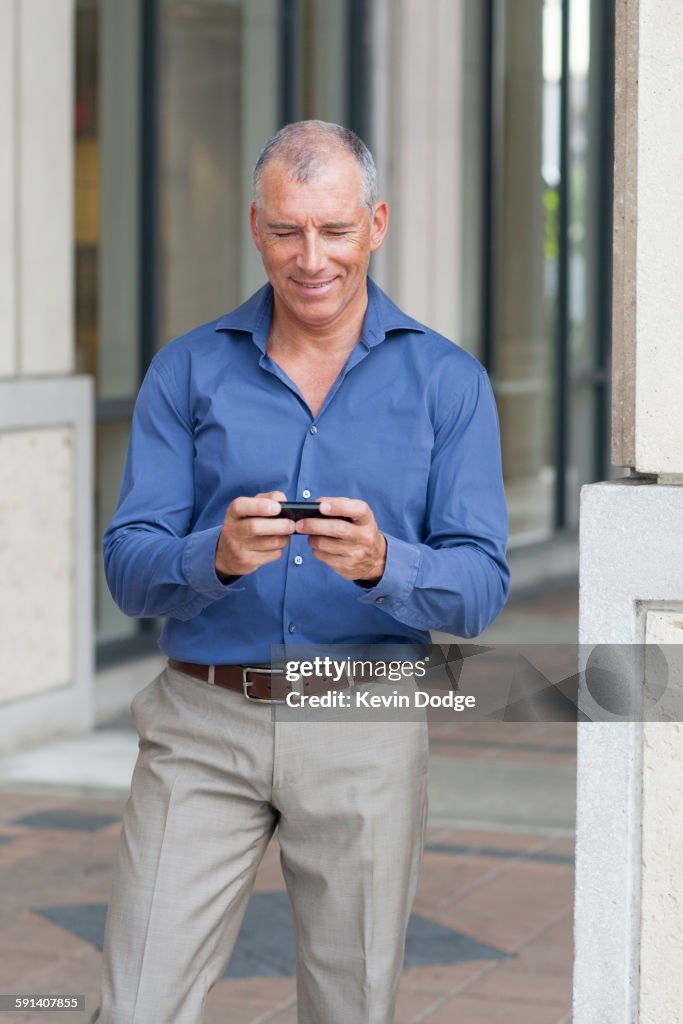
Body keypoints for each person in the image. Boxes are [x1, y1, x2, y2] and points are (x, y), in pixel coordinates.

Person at [93, 120, 509, 1024]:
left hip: (364, 715)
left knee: (350, 1008)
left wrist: (384, 566)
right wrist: (213, 556)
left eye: (332, 229)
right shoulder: (188, 371)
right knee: (136, 1005)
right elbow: (127, 569)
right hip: (201, 723)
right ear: (256, 228)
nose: (310, 258)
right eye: (286, 231)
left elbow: (479, 590)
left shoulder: (448, 383)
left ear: (376, 223)